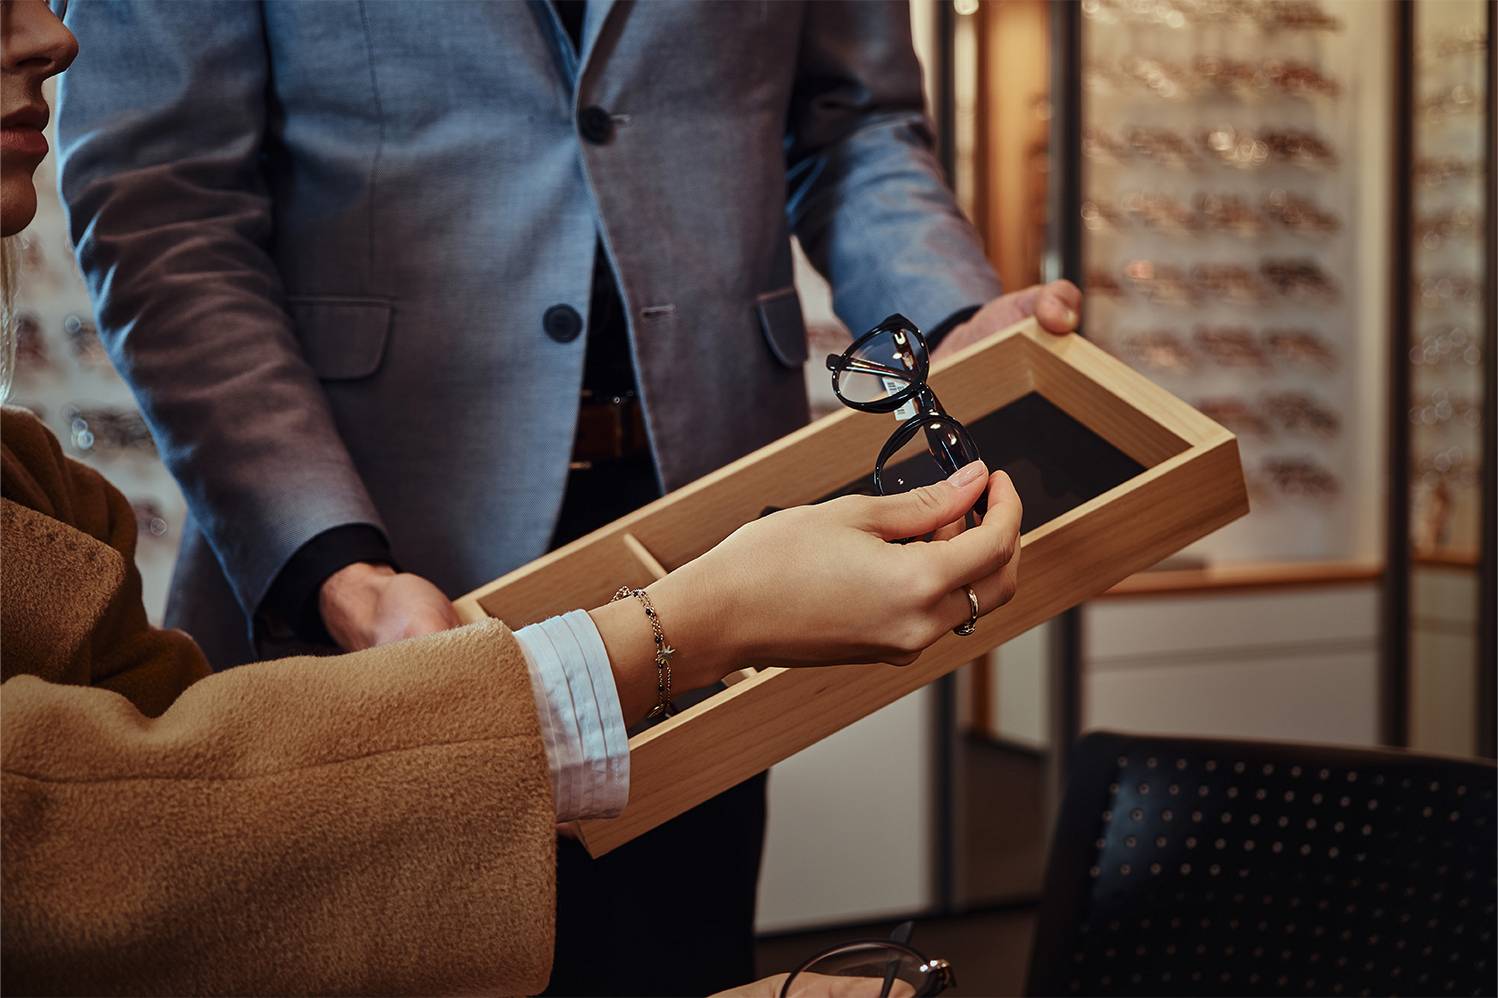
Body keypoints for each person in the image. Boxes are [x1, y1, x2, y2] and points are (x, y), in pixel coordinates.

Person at [53, 2, 1080, 992]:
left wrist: (947, 317)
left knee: (675, 954)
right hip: (373, 532)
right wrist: (336, 565)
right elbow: (161, 206)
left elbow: (853, 125)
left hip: (713, 519)